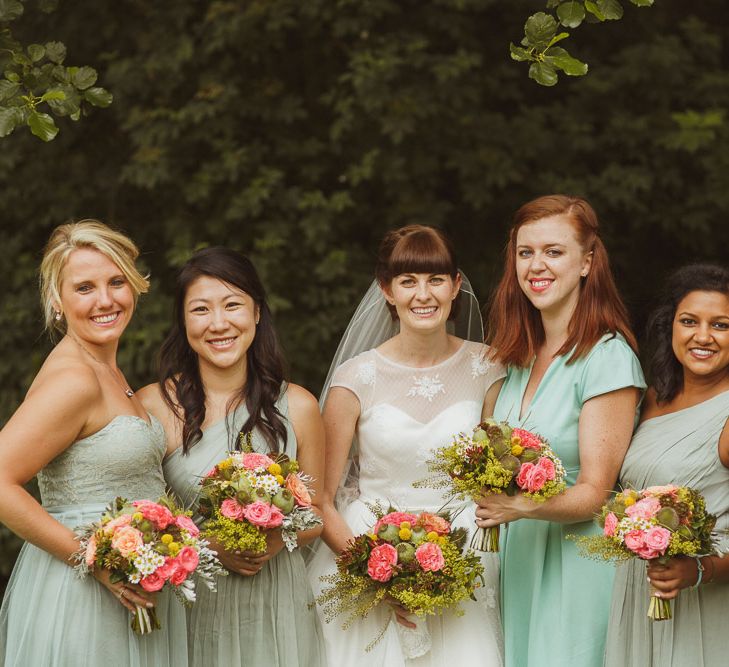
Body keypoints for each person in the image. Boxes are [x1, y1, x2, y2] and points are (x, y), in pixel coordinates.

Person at [307, 224, 505, 666]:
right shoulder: (354, 379)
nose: (423, 294)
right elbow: (322, 498)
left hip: (466, 553)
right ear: (387, 290)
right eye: (408, 280)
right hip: (369, 546)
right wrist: (377, 570)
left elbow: (497, 478)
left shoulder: (488, 368)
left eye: (436, 279)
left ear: (456, 287)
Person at [0, 220, 187, 666]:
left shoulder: (106, 370)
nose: (106, 300)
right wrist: (93, 559)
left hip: (127, 588)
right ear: (56, 300)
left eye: (116, 282)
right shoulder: (76, 379)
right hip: (86, 595)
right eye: (84, 288)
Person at [475, 195, 645, 667]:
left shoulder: (606, 357)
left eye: (554, 251)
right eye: (525, 252)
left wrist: (518, 505)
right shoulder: (515, 358)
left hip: (577, 566)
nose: (536, 265)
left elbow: (596, 490)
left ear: (588, 261)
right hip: (520, 560)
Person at [138, 247, 326, 666]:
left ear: (257, 313)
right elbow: (139, 518)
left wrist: (276, 539)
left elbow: (317, 513)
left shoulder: (299, 406)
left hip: (275, 607)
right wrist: (208, 545)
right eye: (201, 309)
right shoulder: (154, 405)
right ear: (184, 321)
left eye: (233, 305)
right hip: (188, 603)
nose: (219, 323)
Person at [604, 263, 729, 666]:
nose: (703, 337)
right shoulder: (653, 398)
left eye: (722, 325)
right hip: (638, 591)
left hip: (703, 599)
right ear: (670, 327)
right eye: (689, 321)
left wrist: (699, 570)